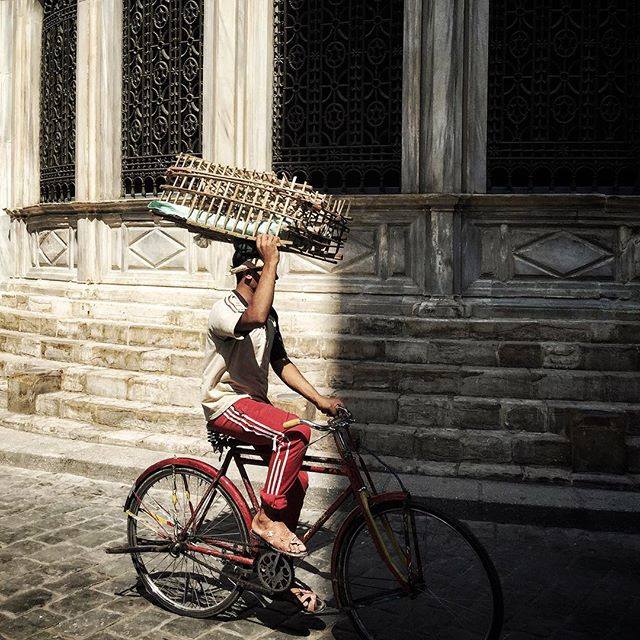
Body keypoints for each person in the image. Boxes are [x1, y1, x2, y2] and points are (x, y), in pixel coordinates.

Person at [201, 234, 342, 611]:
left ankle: (270, 569)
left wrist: (320, 400)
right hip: (226, 404)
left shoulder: (270, 315)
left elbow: (281, 363)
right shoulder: (224, 310)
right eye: (269, 277)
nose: (274, 283)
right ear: (250, 275)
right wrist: (271, 261)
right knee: (295, 432)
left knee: (298, 480)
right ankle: (264, 519)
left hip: (254, 405)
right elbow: (255, 316)